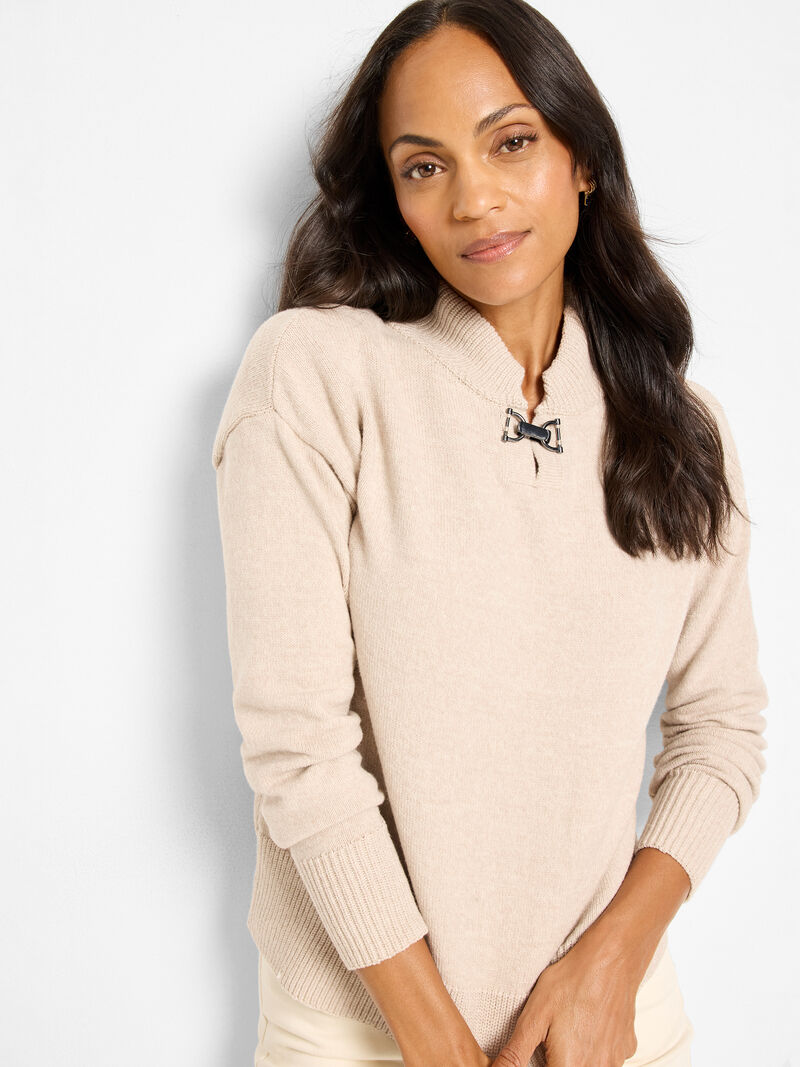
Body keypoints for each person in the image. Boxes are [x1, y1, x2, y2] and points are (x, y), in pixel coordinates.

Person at [211, 2, 769, 1065]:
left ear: (582, 159)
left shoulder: (681, 430)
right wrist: (439, 1042)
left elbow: (720, 728)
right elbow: (297, 746)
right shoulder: (317, 376)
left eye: (510, 142)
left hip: (610, 1025)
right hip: (366, 1032)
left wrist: (611, 963)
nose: (474, 198)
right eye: (424, 167)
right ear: (392, 198)